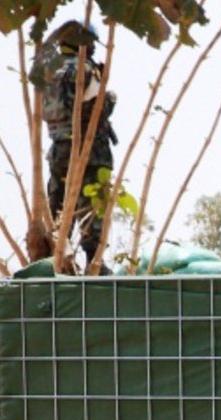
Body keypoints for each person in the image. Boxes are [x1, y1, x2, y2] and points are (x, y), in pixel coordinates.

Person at [42, 20, 117, 270]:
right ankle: (93, 262)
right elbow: (96, 108)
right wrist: (110, 97)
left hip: (58, 149)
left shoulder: (49, 72)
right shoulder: (85, 69)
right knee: (92, 204)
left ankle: (55, 262)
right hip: (88, 150)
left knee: (60, 206)